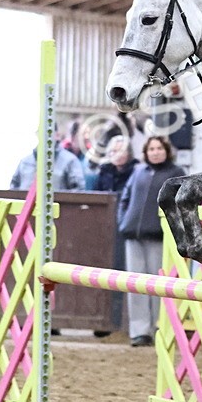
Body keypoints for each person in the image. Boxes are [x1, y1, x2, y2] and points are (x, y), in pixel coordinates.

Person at [117, 135, 185, 347]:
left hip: (159, 237)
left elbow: (183, 202)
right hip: (133, 236)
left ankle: (159, 326)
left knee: (158, 284)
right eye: (151, 148)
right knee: (135, 285)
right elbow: (125, 198)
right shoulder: (138, 173)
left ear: (166, 150)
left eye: (159, 148)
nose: (155, 152)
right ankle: (139, 331)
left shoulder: (176, 174)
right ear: (146, 152)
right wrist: (123, 222)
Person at [93, 136, 139, 334]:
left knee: (123, 271)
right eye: (113, 152)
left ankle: (122, 322)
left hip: (126, 228)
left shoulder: (136, 171)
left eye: (120, 151)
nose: (116, 156)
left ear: (129, 154)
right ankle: (103, 321)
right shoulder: (104, 171)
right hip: (103, 230)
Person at [9, 141, 85, 191]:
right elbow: (14, 187)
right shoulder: (25, 162)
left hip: (58, 212)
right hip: (25, 212)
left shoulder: (70, 160)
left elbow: (78, 190)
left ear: (57, 135)